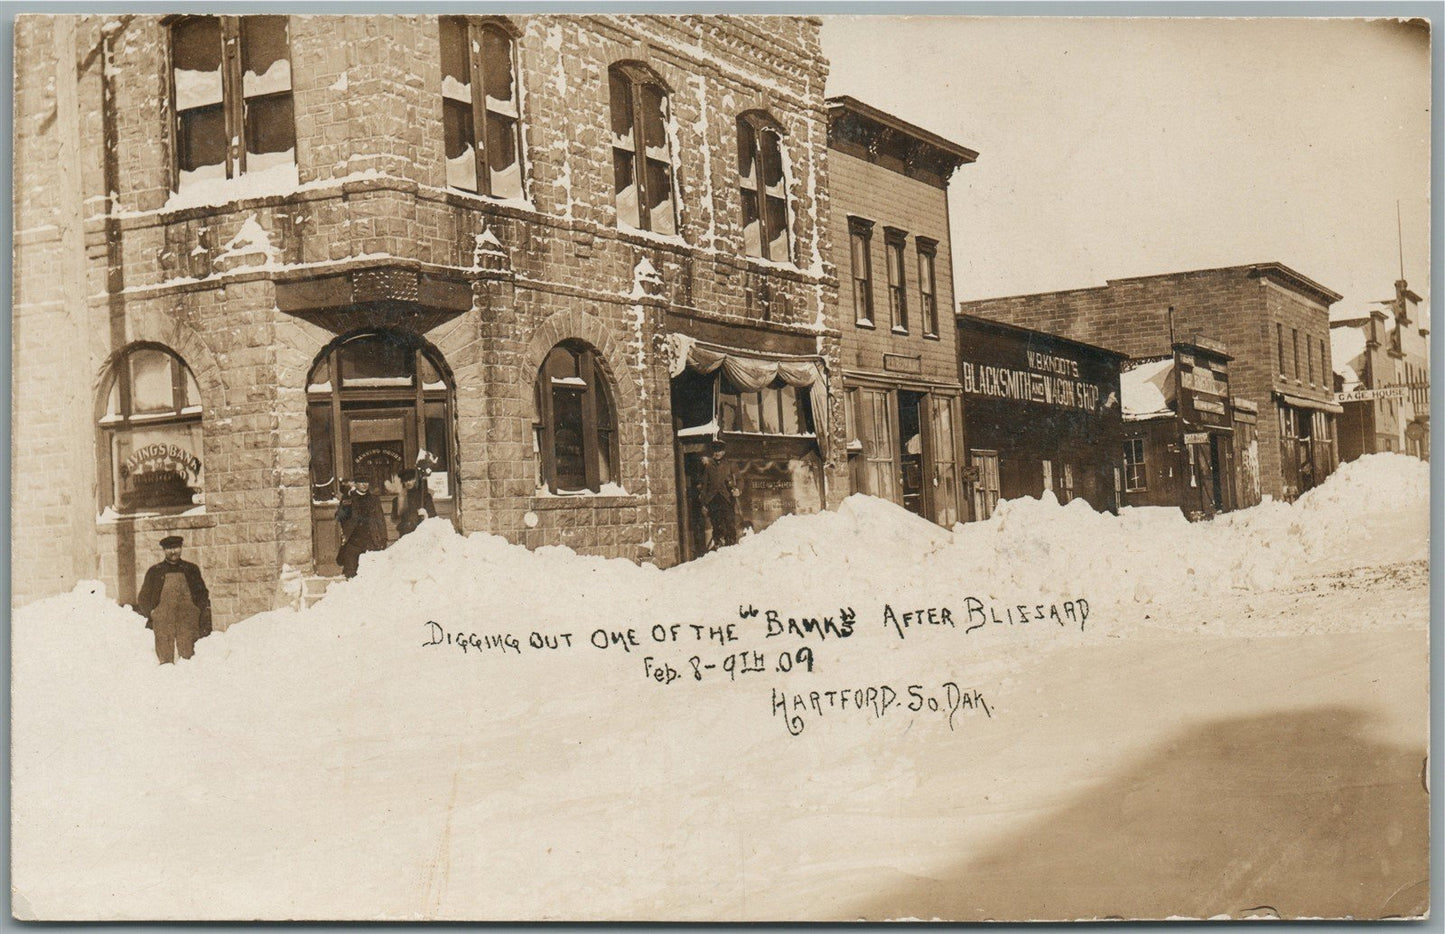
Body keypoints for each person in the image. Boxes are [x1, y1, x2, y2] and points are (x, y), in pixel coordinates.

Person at [135, 535, 212, 664]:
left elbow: (202, 593)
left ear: (181, 548)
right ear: (164, 550)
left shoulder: (191, 569)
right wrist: (152, 613)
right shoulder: (155, 571)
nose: (173, 552)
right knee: (165, 656)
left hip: (187, 617)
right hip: (163, 619)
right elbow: (143, 597)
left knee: (188, 656)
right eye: (169, 548)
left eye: (176, 547)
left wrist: (197, 610)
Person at [336, 479, 387, 578]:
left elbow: (380, 519)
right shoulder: (349, 497)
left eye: (366, 482)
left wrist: (383, 538)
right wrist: (346, 501)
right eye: (361, 482)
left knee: (371, 572)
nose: (364, 485)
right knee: (351, 571)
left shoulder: (374, 499)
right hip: (353, 540)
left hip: (371, 540)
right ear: (355, 483)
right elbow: (340, 517)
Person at [699, 444, 740, 550]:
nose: (717, 453)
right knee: (716, 523)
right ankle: (718, 544)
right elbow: (704, 485)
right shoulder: (708, 466)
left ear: (724, 452)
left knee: (729, 522)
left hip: (726, 498)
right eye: (715, 451)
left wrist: (738, 489)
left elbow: (740, 480)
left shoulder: (730, 464)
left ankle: (731, 544)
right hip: (713, 499)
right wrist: (704, 503)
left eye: (719, 451)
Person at [393, 468, 437, 538]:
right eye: (406, 480)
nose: (408, 483)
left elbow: (433, 515)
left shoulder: (424, 496)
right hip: (405, 534)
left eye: (411, 479)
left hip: (421, 533)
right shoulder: (399, 498)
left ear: (415, 480)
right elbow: (395, 517)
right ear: (403, 482)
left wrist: (425, 514)